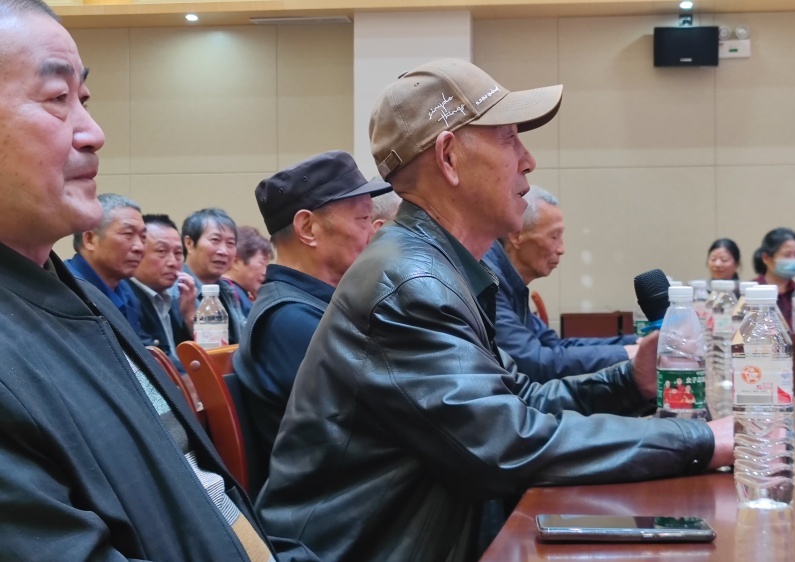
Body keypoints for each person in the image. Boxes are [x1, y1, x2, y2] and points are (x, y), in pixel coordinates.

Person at [256, 58, 733, 562]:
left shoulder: (439, 265)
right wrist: (697, 439)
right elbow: (505, 445)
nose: (528, 160)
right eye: (508, 138)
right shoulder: (411, 283)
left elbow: (518, 400)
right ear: (449, 157)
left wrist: (629, 381)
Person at [0, 1, 309, 558]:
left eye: (84, 99)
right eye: (56, 98)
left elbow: (194, 488)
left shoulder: (78, 296)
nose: (93, 133)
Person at [233, 150, 391, 491]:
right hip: (340, 508)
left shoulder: (317, 307)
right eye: (363, 220)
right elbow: (386, 422)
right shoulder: (288, 321)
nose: (373, 234)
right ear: (308, 228)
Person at [482, 185, 637, 381]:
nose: (561, 249)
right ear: (516, 235)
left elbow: (553, 345)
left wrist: (634, 344)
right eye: (554, 236)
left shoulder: (509, 281)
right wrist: (628, 354)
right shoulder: (489, 282)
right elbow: (534, 362)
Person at [65, 193, 146, 335]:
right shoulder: (66, 289)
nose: (139, 247)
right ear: (90, 239)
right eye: (128, 234)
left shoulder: (126, 290)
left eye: (143, 237)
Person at [128, 213, 197, 367]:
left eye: (178, 253)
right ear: (137, 252)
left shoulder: (174, 296)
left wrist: (189, 316)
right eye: (161, 251)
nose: (173, 262)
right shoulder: (127, 298)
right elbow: (152, 365)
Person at [181, 207, 249, 343]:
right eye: (215, 240)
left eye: (230, 243)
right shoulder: (176, 290)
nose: (223, 251)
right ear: (189, 243)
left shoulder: (227, 290)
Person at [223, 225, 273, 303]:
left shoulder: (238, 292)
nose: (265, 272)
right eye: (261, 263)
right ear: (236, 262)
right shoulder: (227, 294)